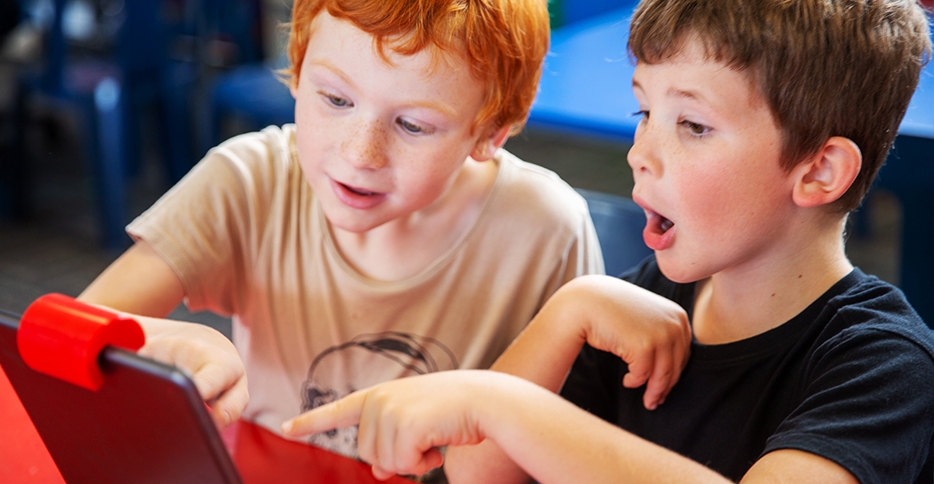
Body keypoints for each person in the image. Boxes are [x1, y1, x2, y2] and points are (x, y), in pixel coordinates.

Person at [281, 0, 934, 482]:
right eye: (644, 112)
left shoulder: (884, 364)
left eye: (694, 126)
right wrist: (569, 312)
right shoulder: (633, 307)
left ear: (818, 171)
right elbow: (475, 477)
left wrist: (494, 402)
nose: (640, 153)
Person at [76, 0, 621, 460]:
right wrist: (162, 338)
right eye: (335, 99)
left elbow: (573, 445)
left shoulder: (547, 229)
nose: (360, 154)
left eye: (413, 125)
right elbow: (66, 332)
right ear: (297, 64)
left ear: (493, 130)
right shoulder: (250, 179)